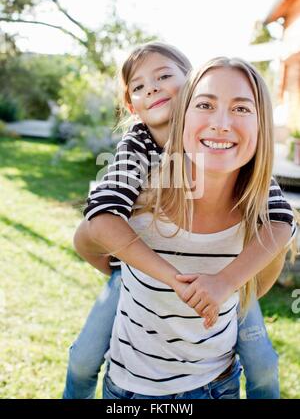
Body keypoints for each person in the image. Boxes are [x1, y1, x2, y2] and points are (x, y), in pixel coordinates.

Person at [63, 44, 296, 399]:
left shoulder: (240, 164)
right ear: (131, 105)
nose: (152, 89)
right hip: (136, 270)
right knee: (83, 358)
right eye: (138, 87)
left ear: (187, 84)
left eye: (163, 77)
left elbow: (281, 222)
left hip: (223, 299)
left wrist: (227, 282)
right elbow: (100, 219)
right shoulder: (138, 147)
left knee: (263, 363)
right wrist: (136, 267)